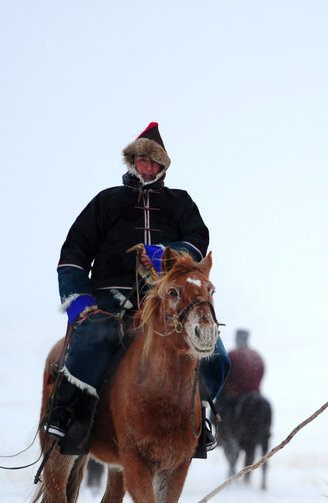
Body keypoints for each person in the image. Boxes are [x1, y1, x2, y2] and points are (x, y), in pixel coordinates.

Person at [42, 122, 229, 457]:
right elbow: (73, 253)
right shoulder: (106, 202)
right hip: (108, 297)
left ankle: (200, 416)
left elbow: (198, 245)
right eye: (141, 160)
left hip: (168, 301)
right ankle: (69, 415)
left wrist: (161, 252)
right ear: (132, 162)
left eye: (153, 162)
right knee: (95, 339)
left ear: (162, 167)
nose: (147, 166)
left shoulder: (180, 203)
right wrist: (78, 301)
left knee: (215, 353)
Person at [224, 329, 265, 397]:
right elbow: (261, 373)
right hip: (255, 395)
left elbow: (223, 376)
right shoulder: (256, 356)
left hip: (233, 397)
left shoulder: (232, 355)